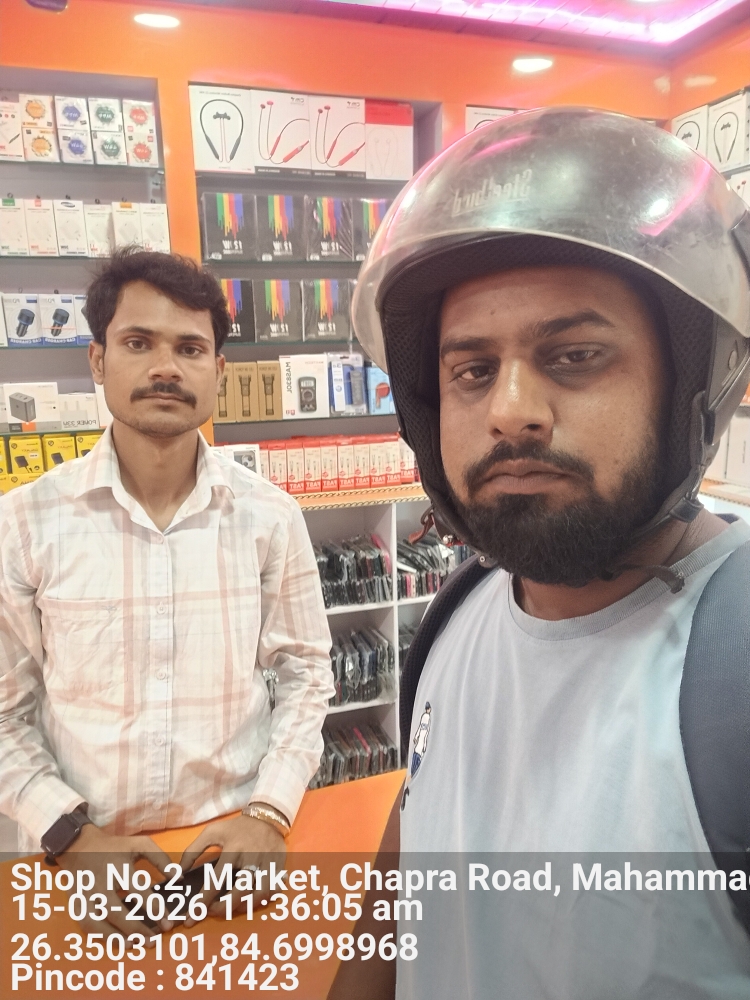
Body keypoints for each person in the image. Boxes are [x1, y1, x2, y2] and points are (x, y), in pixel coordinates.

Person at [333, 108, 750, 998]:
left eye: (575, 355)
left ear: (693, 381)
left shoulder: (734, 670)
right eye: (471, 371)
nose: (510, 412)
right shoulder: (457, 618)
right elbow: (401, 892)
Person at [0, 249, 333, 938]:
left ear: (219, 371)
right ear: (97, 361)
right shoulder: (25, 524)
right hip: (83, 863)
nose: (165, 368)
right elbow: (5, 712)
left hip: (231, 860)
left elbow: (306, 676)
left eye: (189, 348)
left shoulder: (271, 517)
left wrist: (269, 811)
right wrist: (68, 834)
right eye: (138, 343)